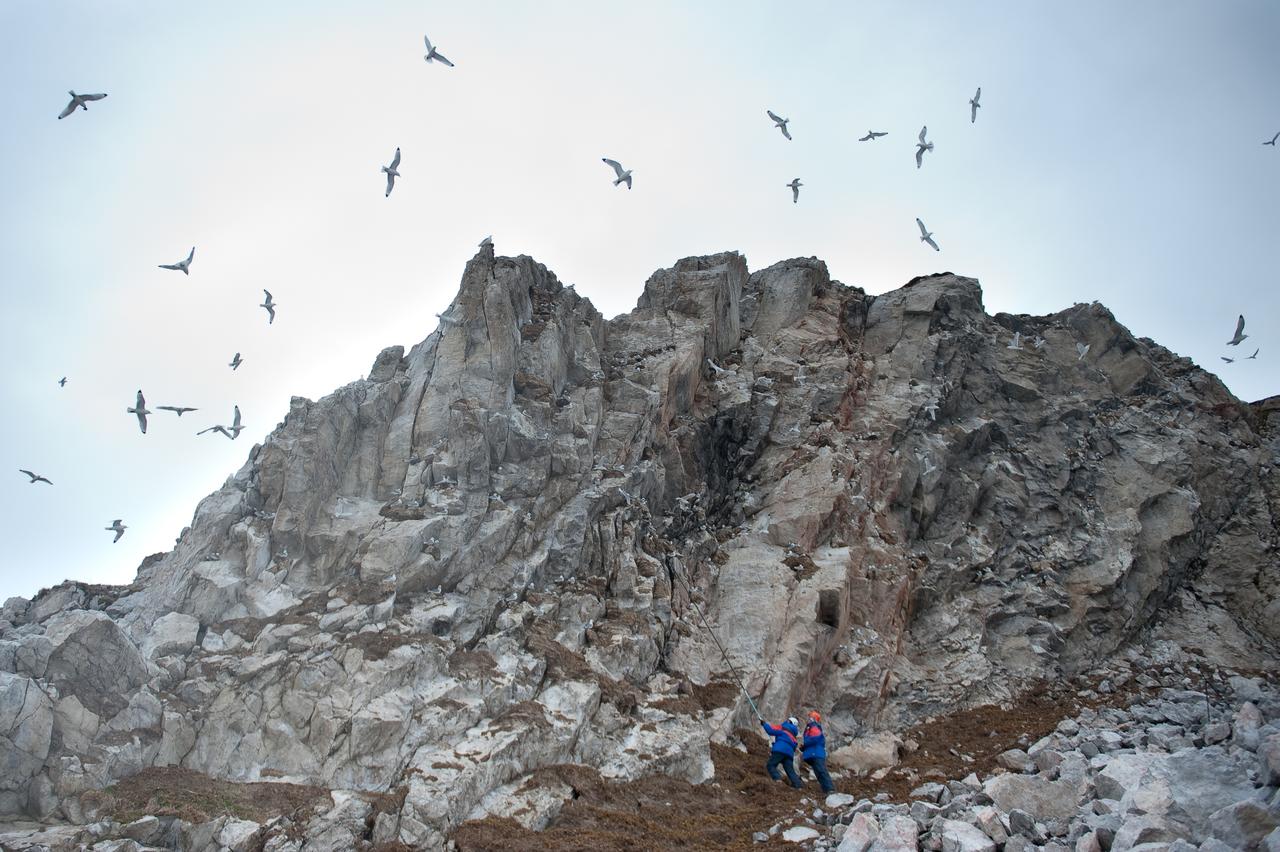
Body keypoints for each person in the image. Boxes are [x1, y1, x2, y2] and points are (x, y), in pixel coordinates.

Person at [760, 716, 803, 788]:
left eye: (788, 720)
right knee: (790, 771)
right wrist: (777, 744)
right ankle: (798, 785)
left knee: (771, 765)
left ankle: (778, 779)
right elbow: (793, 745)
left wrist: (764, 724)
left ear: (789, 722)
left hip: (780, 750)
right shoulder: (793, 736)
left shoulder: (784, 728)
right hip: (789, 754)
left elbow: (770, 730)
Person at [801, 710, 834, 794]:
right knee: (819, 773)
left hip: (816, 753)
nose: (808, 719)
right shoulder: (811, 728)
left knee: (821, 771)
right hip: (814, 753)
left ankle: (830, 789)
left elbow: (815, 739)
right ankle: (827, 790)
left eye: (810, 717)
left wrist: (805, 744)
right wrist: (805, 747)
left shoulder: (814, 727)